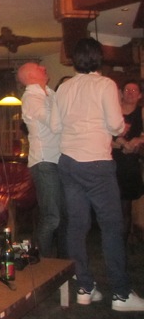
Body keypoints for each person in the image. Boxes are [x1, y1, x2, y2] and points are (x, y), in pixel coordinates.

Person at [50, 38, 144, 312]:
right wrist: (121, 126)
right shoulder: (105, 84)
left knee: (77, 226)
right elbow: (115, 125)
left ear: (75, 60)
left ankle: (85, 287)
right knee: (112, 227)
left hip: (69, 162)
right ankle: (121, 294)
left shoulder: (64, 87)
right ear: (98, 58)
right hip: (97, 163)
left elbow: (55, 126)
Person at [17, 62, 66, 258]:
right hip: (45, 162)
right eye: (39, 67)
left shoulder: (51, 94)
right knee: (52, 217)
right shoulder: (31, 98)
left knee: (63, 217)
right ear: (30, 76)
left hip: (60, 160)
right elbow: (54, 123)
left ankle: (63, 263)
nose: (44, 67)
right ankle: (42, 262)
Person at [111, 81, 144, 246]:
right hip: (111, 162)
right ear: (121, 93)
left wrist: (138, 140)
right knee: (111, 206)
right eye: (127, 89)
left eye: (134, 90)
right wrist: (122, 144)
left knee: (125, 207)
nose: (130, 92)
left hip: (129, 165)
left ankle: (121, 245)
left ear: (140, 95)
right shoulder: (113, 111)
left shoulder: (141, 113)